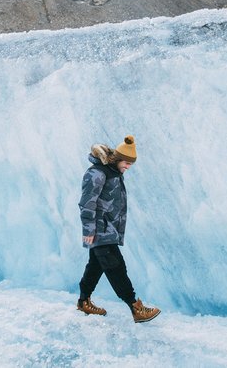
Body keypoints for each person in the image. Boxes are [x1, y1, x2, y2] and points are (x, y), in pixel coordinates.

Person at [77, 135, 161, 323]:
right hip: (100, 231)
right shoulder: (97, 173)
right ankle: (135, 307)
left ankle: (83, 301)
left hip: (108, 230)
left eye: (131, 164)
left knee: (96, 266)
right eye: (127, 162)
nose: (128, 167)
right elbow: (86, 203)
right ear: (117, 159)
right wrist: (89, 230)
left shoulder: (113, 173)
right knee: (116, 267)